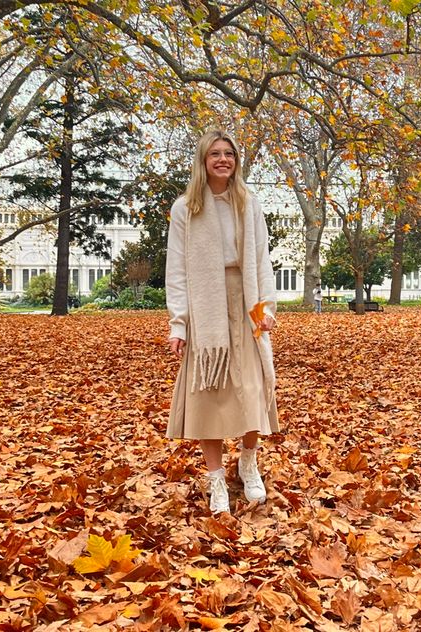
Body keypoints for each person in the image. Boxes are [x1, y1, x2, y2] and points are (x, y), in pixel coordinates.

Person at [165, 129, 279, 514]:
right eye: (214, 153)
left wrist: (265, 308)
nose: (222, 160)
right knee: (209, 396)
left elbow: (262, 259)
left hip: (244, 301)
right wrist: (178, 324)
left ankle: (248, 462)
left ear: (236, 161)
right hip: (205, 308)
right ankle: (216, 481)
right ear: (203, 160)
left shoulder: (249, 203)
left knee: (251, 387)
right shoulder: (186, 209)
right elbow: (176, 271)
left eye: (228, 153)